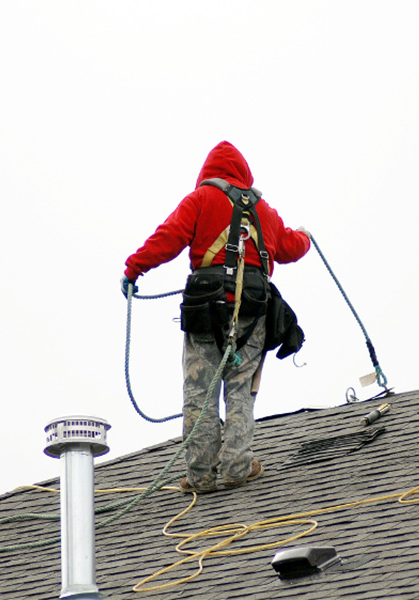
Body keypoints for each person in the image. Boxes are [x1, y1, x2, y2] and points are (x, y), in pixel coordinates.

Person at [122, 141, 311, 493]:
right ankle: (238, 467)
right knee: (240, 389)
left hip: (205, 313)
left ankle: (200, 476)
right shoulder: (263, 212)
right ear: (243, 174)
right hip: (253, 313)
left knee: (200, 393)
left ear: (208, 173)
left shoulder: (200, 201)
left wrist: (134, 270)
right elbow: (289, 247)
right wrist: (306, 237)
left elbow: (168, 238)